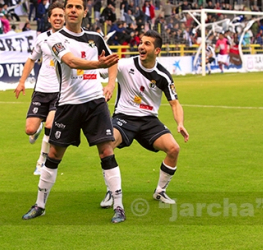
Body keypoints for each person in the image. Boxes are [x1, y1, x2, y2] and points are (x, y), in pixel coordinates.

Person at [22, 0, 126, 224]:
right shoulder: (55, 39)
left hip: (95, 103)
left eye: (77, 7)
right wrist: (97, 66)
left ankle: (119, 206)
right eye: (70, 6)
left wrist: (110, 85)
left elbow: (113, 61)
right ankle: (39, 205)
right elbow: (70, 61)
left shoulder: (96, 38)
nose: (72, 10)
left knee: (106, 152)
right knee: (53, 155)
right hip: (68, 105)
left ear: (84, 12)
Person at [99, 30, 189, 208]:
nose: (141, 46)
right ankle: (111, 190)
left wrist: (180, 123)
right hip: (124, 117)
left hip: (149, 121)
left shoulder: (162, 75)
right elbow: (105, 71)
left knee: (174, 149)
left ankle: (160, 191)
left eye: (147, 43)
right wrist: (105, 73)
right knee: (107, 145)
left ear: (157, 51)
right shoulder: (125, 64)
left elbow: (175, 103)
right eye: (141, 42)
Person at [14, 2, 65, 175]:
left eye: (61, 16)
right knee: (30, 129)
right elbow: (31, 60)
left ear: (65, 19)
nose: (58, 18)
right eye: (55, 15)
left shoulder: (70, 39)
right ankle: (37, 130)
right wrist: (22, 82)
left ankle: (41, 161)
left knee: (51, 124)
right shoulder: (42, 38)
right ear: (49, 18)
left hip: (60, 91)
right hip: (41, 89)